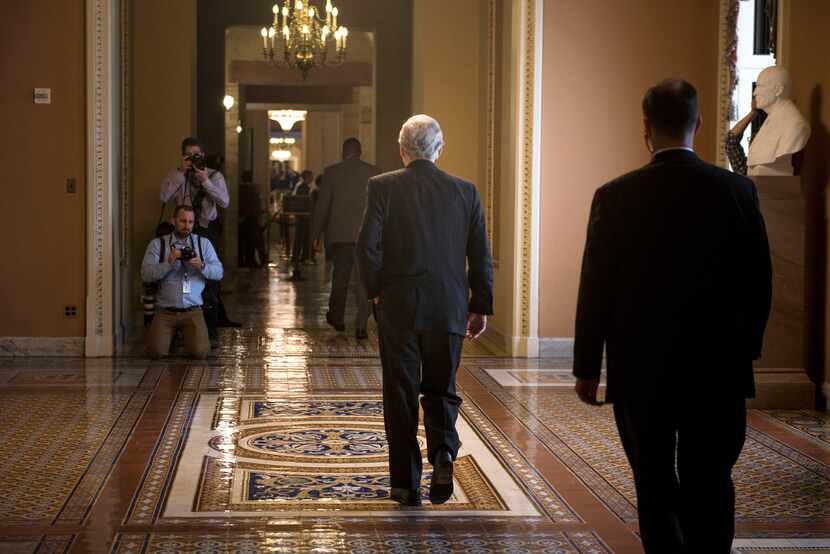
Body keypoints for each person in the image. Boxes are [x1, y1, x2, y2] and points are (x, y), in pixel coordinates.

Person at [573, 79, 772, 553]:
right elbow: (759, 282)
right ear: (699, 123)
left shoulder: (615, 196)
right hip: (717, 369)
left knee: (654, 483)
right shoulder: (737, 191)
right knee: (712, 481)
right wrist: (746, 350)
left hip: (642, 369)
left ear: (645, 128)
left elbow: (595, 287)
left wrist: (586, 366)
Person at [356, 115, 493, 507]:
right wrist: (479, 305)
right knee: (441, 388)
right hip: (449, 307)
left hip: (399, 307)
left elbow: (366, 246)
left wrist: (377, 292)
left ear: (402, 150)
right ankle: (444, 451)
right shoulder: (465, 192)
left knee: (400, 393)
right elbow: (479, 254)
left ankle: (404, 484)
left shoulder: (382, 187)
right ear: (439, 148)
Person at [160, 137, 234, 346]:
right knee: (178, 274)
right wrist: (180, 174)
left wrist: (205, 181)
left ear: (203, 155)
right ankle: (178, 332)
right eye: (189, 155)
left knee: (209, 280)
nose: (193, 159)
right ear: (183, 156)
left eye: (197, 155)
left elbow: (224, 201)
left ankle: (209, 333)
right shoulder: (176, 175)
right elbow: (164, 196)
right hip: (181, 229)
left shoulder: (214, 176)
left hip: (206, 230)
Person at [312, 138, 382, 338]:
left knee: (340, 278)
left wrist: (315, 236)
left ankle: (337, 317)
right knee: (363, 281)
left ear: (344, 152)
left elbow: (322, 207)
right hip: (366, 237)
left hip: (341, 237)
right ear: (360, 152)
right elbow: (379, 207)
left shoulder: (332, 172)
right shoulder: (374, 172)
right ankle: (361, 326)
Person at [141, 205, 224, 359]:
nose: (187, 226)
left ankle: (182, 337)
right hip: (165, 311)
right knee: (156, 352)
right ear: (174, 221)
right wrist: (168, 263)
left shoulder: (203, 244)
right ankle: (169, 338)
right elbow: (146, 275)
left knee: (200, 353)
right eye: (183, 221)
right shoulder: (158, 245)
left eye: (191, 222)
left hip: (192, 310)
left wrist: (202, 266)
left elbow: (219, 272)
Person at [728, 66, 810, 176]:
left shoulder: (796, 125)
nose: (755, 92)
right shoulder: (771, 120)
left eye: (760, 86)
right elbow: (731, 141)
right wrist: (753, 112)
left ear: (778, 90)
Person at [289, 170, 314, 281]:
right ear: (307, 177)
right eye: (311, 176)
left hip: (302, 217)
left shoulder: (301, 186)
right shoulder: (303, 187)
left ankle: (299, 257)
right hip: (303, 217)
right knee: (300, 238)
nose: (312, 178)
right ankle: (297, 258)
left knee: (302, 238)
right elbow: (303, 203)